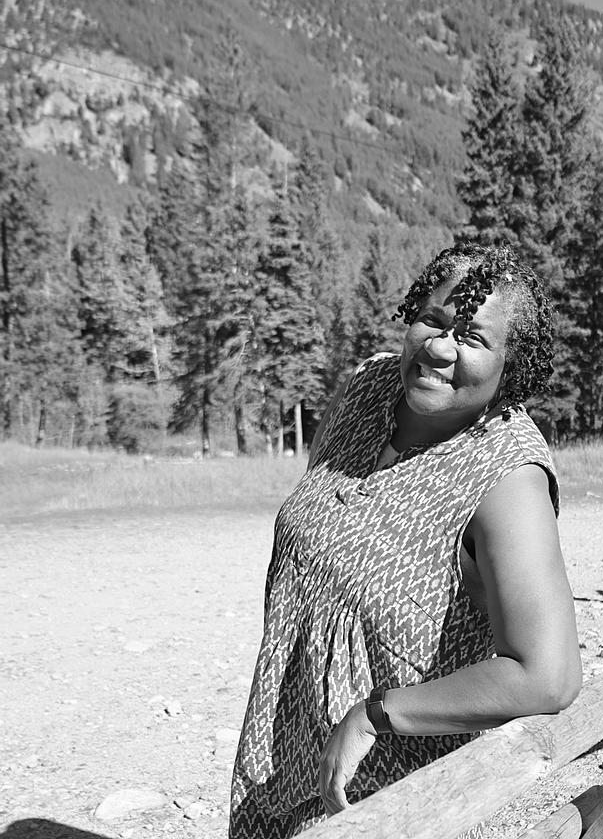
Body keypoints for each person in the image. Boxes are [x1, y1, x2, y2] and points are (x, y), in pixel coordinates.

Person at [229, 241, 581, 838]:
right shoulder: (368, 389)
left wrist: (375, 715)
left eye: (472, 338)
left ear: (511, 366)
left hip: (386, 796)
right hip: (276, 758)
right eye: (433, 320)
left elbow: (548, 676)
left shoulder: (506, 477)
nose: (440, 347)